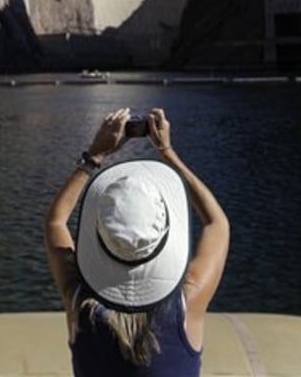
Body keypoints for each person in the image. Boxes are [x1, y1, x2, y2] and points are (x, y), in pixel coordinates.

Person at [44, 107, 230, 376]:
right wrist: (167, 153)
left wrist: (94, 156)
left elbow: (55, 222)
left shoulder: (78, 301)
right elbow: (217, 223)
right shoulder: (187, 303)